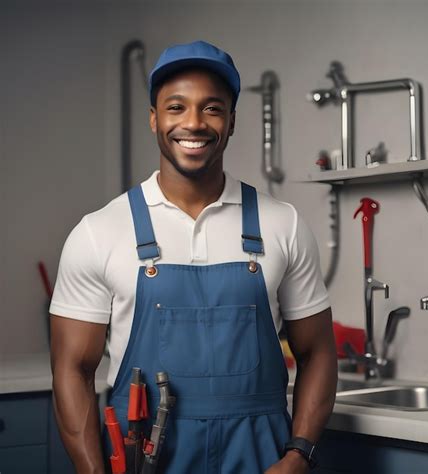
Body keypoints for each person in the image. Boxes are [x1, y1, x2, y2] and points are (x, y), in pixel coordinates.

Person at [50, 40, 337, 474]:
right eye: (176, 107)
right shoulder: (99, 232)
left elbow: (318, 353)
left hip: (261, 459)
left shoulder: (284, 225)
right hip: (145, 456)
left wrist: (298, 455)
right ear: (154, 118)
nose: (194, 123)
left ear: (232, 121)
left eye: (212, 108)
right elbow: (72, 368)